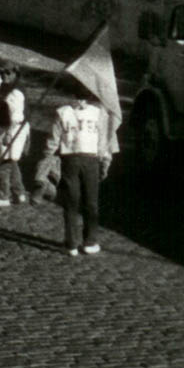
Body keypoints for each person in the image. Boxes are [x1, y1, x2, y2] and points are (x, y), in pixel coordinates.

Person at [44, 87, 118, 256]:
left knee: (83, 201)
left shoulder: (91, 113)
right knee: (79, 201)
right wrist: (105, 161)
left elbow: (102, 141)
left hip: (82, 158)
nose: (80, 102)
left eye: (83, 98)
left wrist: (47, 157)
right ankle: (79, 241)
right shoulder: (70, 113)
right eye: (78, 97)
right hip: (77, 158)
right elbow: (102, 142)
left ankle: (79, 242)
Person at [0, 62, 30, 206]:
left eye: (8, 73)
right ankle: (19, 192)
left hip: (12, 127)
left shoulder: (16, 92)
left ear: (15, 73)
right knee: (11, 160)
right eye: (2, 73)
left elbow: (15, 115)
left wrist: (8, 133)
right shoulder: (5, 88)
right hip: (9, 126)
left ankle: (3, 195)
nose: (4, 75)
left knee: (2, 160)